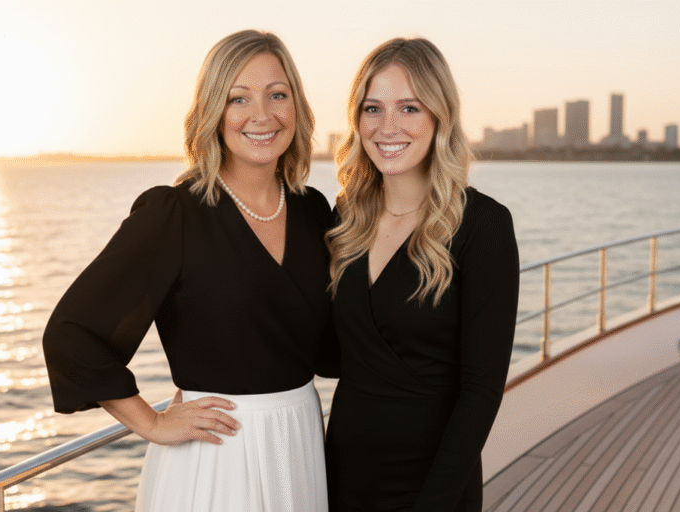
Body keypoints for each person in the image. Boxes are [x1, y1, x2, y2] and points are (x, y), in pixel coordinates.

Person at [42, 29, 336, 512]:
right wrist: (151, 422)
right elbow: (71, 334)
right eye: (238, 98)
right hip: (215, 451)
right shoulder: (174, 214)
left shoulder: (312, 211)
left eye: (277, 95)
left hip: (300, 444)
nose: (261, 115)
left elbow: (330, 344)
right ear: (212, 113)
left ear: (297, 107)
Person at [323, 37, 520, 512]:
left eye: (408, 108)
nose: (388, 126)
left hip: (433, 483)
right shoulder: (345, 218)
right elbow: (327, 352)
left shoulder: (483, 226)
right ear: (356, 119)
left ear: (439, 116)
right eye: (373, 108)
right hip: (342, 474)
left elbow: (481, 390)